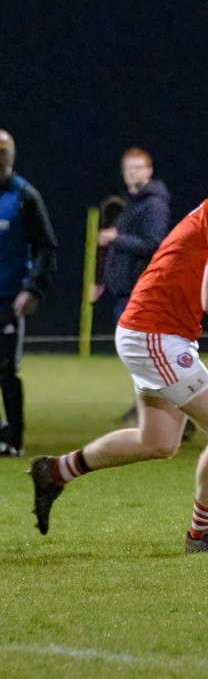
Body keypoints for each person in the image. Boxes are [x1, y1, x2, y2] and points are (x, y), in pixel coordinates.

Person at [29, 140, 208, 552]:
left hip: (152, 330)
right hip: (154, 332)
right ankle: (202, 536)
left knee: (157, 442)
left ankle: (54, 472)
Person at [92, 148, 172, 429]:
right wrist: (102, 280)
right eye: (128, 168)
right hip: (124, 291)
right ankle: (153, 409)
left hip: (140, 293)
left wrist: (117, 237)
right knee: (139, 357)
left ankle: (171, 413)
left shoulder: (153, 204)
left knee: (143, 356)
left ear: (149, 171)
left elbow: (155, 244)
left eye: (139, 168)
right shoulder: (133, 203)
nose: (133, 173)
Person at [0, 130, 57, 458]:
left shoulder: (24, 196)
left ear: (12, 155)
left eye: (3, 150)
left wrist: (33, 288)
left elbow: (45, 245)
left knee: (6, 369)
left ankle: (13, 440)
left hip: (10, 298)